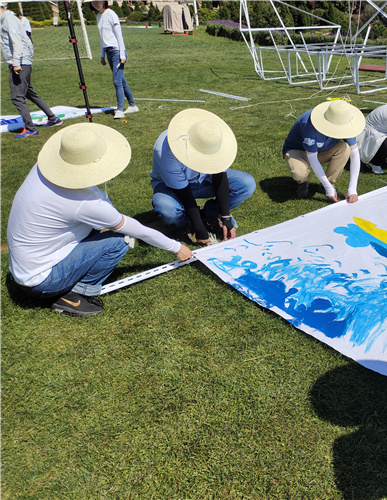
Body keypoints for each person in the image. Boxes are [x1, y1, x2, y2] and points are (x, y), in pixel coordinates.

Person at [6, 123, 193, 317]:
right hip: (41, 281)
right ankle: (77, 294)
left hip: (22, 267)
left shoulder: (42, 169)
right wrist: (176, 248)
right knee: (120, 240)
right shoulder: (87, 203)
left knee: (102, 229)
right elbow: (136, 229)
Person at [151, 108, 256, 245]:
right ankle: (185, 223)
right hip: (171, 187)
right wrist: (199, 229)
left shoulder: (214, 139)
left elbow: (219, 177)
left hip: (205, 181)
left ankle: (211, 214)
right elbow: (184, 193)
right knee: (165, 208)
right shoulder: (165, 149)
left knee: (246, 184)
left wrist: (226, 217)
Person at [283, 100, 366, 203]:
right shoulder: (308, 124)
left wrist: (353, 189)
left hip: (320, 151)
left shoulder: (344, 121)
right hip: (298, 151)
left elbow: (354, 153)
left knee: (345, 148)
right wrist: (328, 189)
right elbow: (312, 158)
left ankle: (327, 183)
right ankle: (303, 182)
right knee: (299, 173)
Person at [0, 3, 62, 138]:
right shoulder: (7, 19)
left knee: (17, 97)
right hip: (23, 61)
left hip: (20, 63)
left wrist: (16, 63)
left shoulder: (8, 19)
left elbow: (17, 42)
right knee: (30, 93)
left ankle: (30, 129)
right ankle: (53, 118)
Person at [91, 1, 138, 119]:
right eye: (93, 2)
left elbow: (119, 36)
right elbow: (102, 38)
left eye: (98, 1)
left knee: (117, 82)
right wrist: (102, 55)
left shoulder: (111, 14)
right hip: (108, 52)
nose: (96, 3)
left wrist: (122, 54)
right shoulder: (98, 16)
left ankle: (120, 110)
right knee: (121, 81)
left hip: (116, 52)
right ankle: (132, 105)